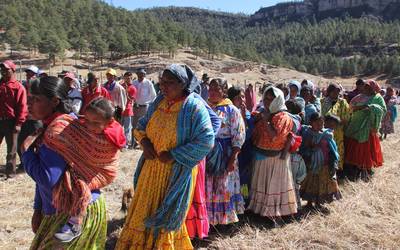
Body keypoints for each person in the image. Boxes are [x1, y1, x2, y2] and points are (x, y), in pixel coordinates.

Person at [116, 64, 214, 249]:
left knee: (166, 213)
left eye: (169, 83)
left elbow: (206, 140)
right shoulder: (159, 101)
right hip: (150, 169)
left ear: (182, 83)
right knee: (143, 209)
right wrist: (145, 143)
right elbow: (140, 126)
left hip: (174, 172)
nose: (163, 87)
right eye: (162, 82)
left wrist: (174, 155)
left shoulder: (193, 106)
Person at [21, 76, 108, 249]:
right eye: (30, 99)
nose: (29, 104)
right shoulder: (57, 124)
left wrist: (25, 152)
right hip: (67, 209)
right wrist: (38, 208)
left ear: (54, 101)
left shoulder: (59, 132)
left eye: (36, 99)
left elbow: (48, 178)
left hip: (73, 214)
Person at [50, 97, 125, 242]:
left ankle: (75, 223)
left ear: (109, 122)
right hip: (84, 167)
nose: (89, 126)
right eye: (87, 120)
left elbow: (107, 150)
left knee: (79, 187)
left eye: (96, 123)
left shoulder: (112, 134)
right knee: (72, 181)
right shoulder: (84, 126)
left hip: (102, 172)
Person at [248, 86, 297, 224]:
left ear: (279, 99)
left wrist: (265, 119)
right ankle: (259, 211)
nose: (268, 101)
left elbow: (274, 137)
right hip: (261, 157)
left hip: (275, 160)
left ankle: (274, 214)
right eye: (266, 98)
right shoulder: (264, 112)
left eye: (272, 99)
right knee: (262, 185)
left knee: (273, 187)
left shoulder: (282, 117)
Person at [205, 78, 246, 226]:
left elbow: (239, 135)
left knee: (223, 186)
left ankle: (224, 221)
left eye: (217, 89)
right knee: (208, 186)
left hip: (225, 154)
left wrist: (232, 159)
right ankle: (209, 220)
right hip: (207, 154)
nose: (213, 92)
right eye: (211, 89)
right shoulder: (204, 107)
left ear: (224, 92)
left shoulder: (231, 110)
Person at [345, 80, 386, 181]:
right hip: (356, 124)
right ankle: (354, 169)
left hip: (368, 127)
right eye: (366, 86)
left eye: (369, 87)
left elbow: (383, 110)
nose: (366, 88)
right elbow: (351, 107)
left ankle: (365, 171)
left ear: (374, 88)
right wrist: (356, 108)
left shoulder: (378, 98)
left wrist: (370, 107)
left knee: (365, 149)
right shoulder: (359, 97)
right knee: (354, 146)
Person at [300, 112, 341, 208]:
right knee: (311, 183)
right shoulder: (308, 134)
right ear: (311, 123)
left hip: (325, 164)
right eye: (317, 123)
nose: (320, 125)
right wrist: (311, 147)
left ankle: (319, 202)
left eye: (321, 123)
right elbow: (304, 148)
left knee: (322, 183)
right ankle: (309, 202)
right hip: (312, 165)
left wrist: (333, 161)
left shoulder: (327, 134)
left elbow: (333, 148)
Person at [0, 60, 28, 178]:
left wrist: (19, 123)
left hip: (11, 122)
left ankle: (10, 172)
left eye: (6, 69)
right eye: (2, 69)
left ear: (13, 70)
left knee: (11, 148)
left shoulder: (18, 87)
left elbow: (22, 106)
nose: (3, 71)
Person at [227, 86, 254, 206]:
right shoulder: (228, 113)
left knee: (243, 180)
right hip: (231, 152)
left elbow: (247, 135)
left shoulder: (247, 114)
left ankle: (244, 203)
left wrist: (244, 117)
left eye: (243, 96)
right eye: (238, 98)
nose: (242, 100)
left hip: (244, 154)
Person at [321, 83, 351, 175]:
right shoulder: (322, 101)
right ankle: (324, 171)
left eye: (338, 91)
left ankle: (336, 171)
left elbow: (347, 117)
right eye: (333, 91)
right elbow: (320, 115)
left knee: (337, 150)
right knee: (325, 150)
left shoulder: (342, 102)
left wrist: (336, 122)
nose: (336, 93)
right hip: (324, 131)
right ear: (329, 91)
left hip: (337, 132)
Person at [18, 65, 43, 172]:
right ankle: (24, 163)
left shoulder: (40, 88)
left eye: (31, 74)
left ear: (36, 75)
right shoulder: (23, 86)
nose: (29, 76)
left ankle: (40, 163)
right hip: (25, 118)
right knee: (21, 141)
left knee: (39, 142)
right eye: (28, 74)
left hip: (36, 119)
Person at [120, 71, 137, 149]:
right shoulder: (121, 86)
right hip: (120, 110)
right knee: (119, 127)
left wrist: (127, 93)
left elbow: (132, 99)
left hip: (128, 110)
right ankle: (119, 142)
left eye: (130, 78)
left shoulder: (133, 88)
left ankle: (126, 144)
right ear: (124, 78)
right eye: (127, 78)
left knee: (127, 128)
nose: (128, 79)